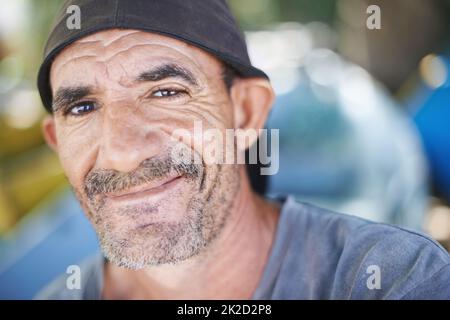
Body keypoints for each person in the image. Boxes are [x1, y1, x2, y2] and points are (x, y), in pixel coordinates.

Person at [35, 0, 450, 299]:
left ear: (247, 112)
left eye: (166, 91)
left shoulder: (395, 279)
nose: (122, 153)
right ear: (57, 141)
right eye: (82, 107)